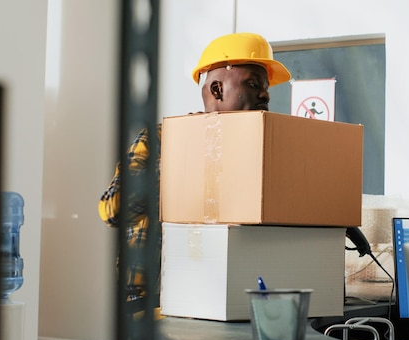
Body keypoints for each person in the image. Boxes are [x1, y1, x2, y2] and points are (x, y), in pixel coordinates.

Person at [98, 32, 291, 303]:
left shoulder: (259, 154)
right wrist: (183, 162)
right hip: (152, 305)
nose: (264, 94)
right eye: (253, 83)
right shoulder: (161, 140)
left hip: (225, 299)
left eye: (267, 88)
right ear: (217, 90)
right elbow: (112, 210)